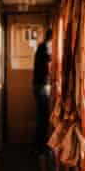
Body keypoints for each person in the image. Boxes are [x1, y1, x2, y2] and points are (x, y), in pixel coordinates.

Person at [31, 27, 53, 155]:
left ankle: (40, 146)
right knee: (43, 118)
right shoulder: (44, 49)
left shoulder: (42, 48)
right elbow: (49, 66)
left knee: (42, 117)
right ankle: (40, 147)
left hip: (39, 86)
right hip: (41, 87)